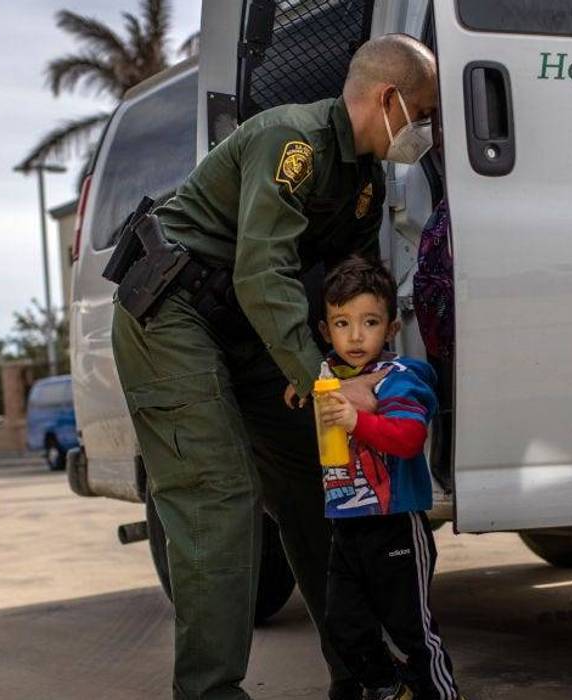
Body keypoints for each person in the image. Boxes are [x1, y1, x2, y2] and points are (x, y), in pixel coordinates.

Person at [110, 34, 439, 700]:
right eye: (423, 112)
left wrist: (366, 368)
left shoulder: (364, 183)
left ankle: (363, 677)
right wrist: (322, 378)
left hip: (249, 328)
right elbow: (263, 272)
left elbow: (342, 286)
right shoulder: (289, 142)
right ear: (388, 99)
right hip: (174, 312)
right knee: (219, 497)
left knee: (321, 486)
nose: (424, 131)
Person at [313, 257, 462, 700]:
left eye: (370, 322)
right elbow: (319, 383)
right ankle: (392, 689)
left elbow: (409, 438)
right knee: (343, 627)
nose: (355, 336)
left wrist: (356, 420)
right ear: (326, 331)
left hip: (395, 523)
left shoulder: (399, 379)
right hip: (347, 527)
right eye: (342, 323)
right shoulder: (329, 378)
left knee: (414, 631)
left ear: (392, 329)